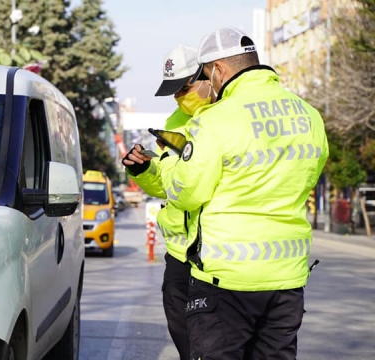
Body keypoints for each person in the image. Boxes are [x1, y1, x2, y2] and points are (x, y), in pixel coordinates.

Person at [158, 27, 329, 359]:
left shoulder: (215, 121)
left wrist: (167, 165)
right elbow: (308, 177)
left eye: (208, 75)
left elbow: (186, 193)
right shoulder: (309, 116)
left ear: (219, 70)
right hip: (286, 277)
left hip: (226, 279)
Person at [121, 44, 215, 360]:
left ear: (209, 75)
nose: (178, 97)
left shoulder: (226, 118)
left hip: (218, 253)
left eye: (184, 88)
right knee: (184, 336)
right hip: (179, 253)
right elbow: (164, 184)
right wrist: (143, 168)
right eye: (173, 92)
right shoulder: (175, 121)